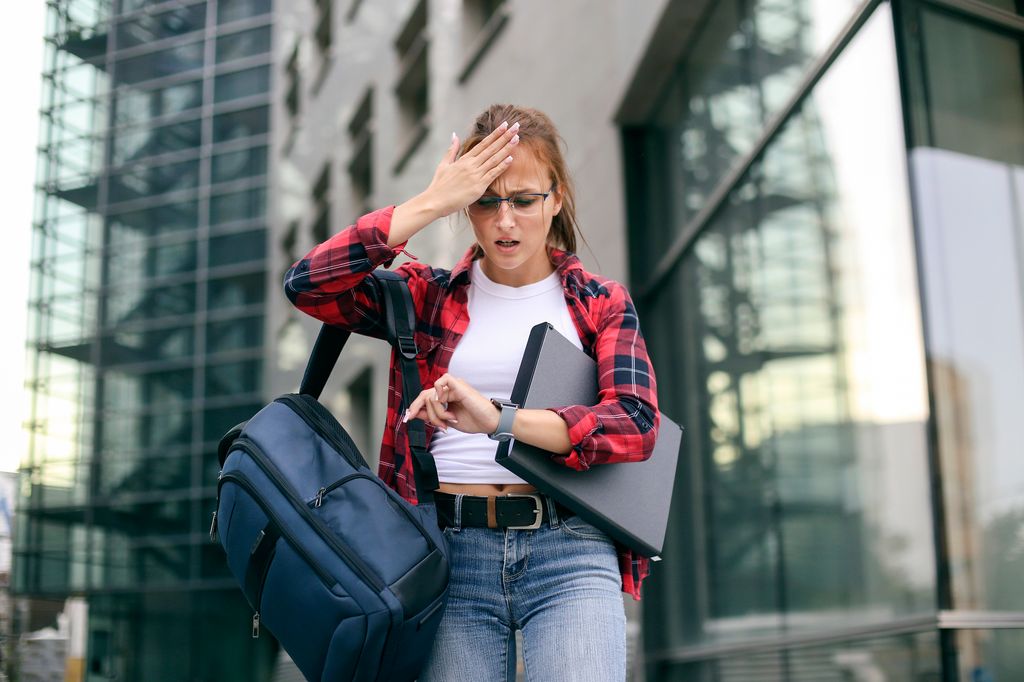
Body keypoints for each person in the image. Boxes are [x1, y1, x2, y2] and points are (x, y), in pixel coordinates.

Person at [284, 104, 659, 681]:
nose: (505, 221)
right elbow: (310, 285)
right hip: (448, 554)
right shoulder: (423, 297)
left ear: (555, 200)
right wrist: (430, 203)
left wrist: (499, 420)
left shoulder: (597, 301)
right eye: (485, 199)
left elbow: (635, 423)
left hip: (571, 550)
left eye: (524, 200)